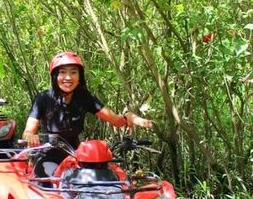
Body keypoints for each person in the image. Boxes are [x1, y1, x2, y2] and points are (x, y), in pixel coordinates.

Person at [22, 51, 154, 177]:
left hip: (77, 154)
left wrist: (129, 116)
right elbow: (29, 130)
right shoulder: (43, 98)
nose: (68, 77)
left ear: (80, 77)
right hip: (48, 153)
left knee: (108, 179)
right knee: (46, 182)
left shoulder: (84, 97)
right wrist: (31, 137)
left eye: (73, 72)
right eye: (62, 72)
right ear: (55, 76)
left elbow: (117, 121)